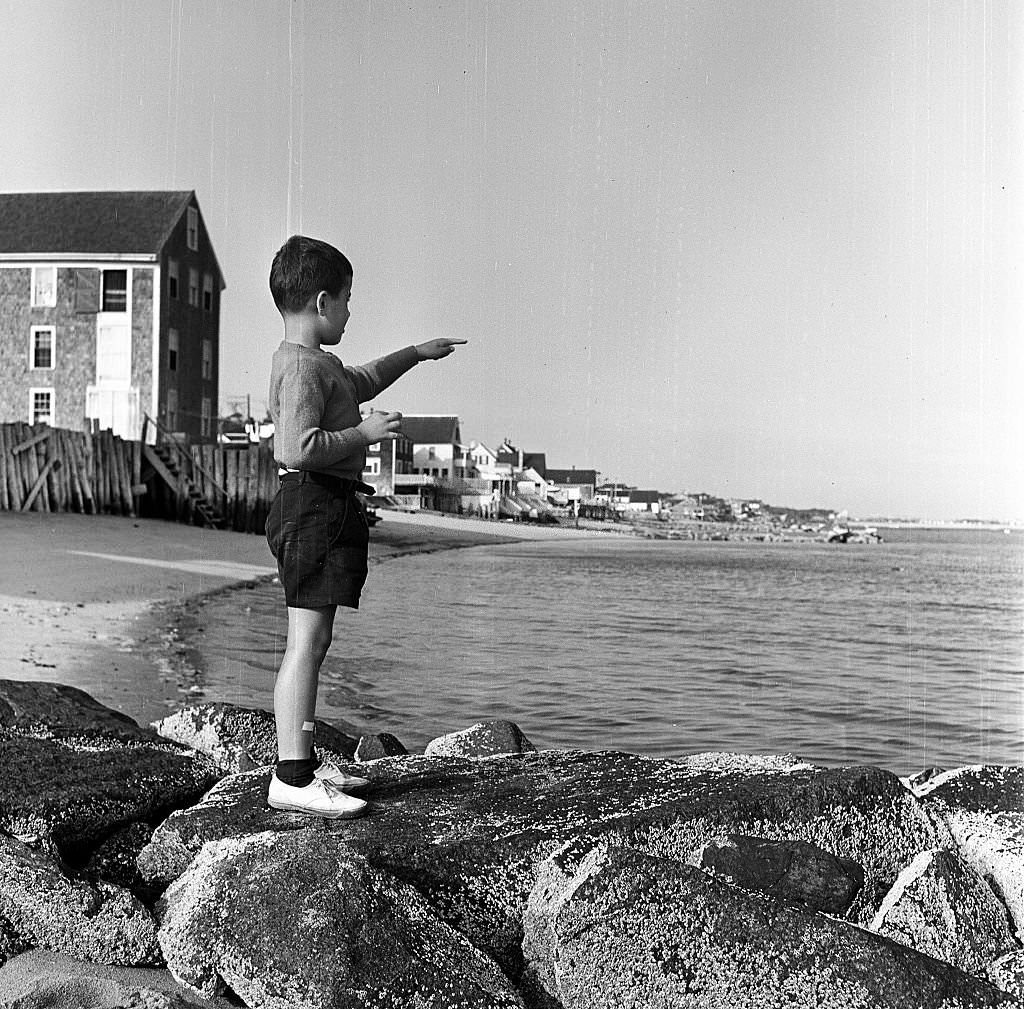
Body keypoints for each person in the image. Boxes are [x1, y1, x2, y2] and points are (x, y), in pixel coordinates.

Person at [264, 235, 466, 818]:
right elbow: (298, 447)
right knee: (306, 643)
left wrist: (416, 353)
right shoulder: (301, 368)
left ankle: (300, 760)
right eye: (348, 301)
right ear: (323, 302)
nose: (351, 313)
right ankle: (293, 776)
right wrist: (365, 436)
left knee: (315, 641)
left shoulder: (317, 364)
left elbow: (363, 379)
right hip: (314, 508)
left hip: (323, 509)